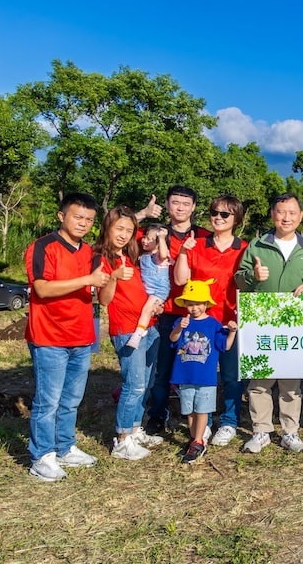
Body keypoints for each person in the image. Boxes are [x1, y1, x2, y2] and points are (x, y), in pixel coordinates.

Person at [25, 192, 110, 481]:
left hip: (82, 336)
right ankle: (42, 456)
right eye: (77, 216)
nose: (83, 223)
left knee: (71, 399)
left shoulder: (90, 253)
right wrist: (87, 280)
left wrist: (111, 279)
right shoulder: (43, 247)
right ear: (61, 216)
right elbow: (42, 289)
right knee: (47, 401)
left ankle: (64, 447)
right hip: (49, 336)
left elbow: (104, 297)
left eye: (89, 219)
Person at [235, 193, 303, 454]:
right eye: (281, 212)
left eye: (292, 212)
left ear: (300, 217)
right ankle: (261, 430)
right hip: (263, 321)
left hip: (295, 324)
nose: (286, 217)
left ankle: (290, 431)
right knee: (260, 380)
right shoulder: (258, 246)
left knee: (290, 380)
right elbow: (239, 279)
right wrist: (253, 275)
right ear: (272, 214)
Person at [174, 195, 248, 447]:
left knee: (230, 375)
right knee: (197, 374)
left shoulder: (245, 248)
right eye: (214, 212)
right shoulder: (198, 244)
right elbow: (181, 279)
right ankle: (200, 424)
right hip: (199, 322)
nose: (217, 217)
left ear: (236, 218)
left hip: (228, 321)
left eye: (224, 214)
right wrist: (184, 252)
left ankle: (228, 421)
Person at [95, 206, 166, 461]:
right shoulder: (102, 258)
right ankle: (122, 439)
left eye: (129, 230)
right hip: (126, 329)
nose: (124, 234)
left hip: (149, 327)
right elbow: (104, 299)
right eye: (119, 229)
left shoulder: (131, 253)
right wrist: (113, 276)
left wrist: (144, 215)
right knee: (133, 384)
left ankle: (136, 429)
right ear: (107, 228)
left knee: (145, 383)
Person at [145, 186, 212, 436]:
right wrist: (143, 214)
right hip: (167, 310)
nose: (180, 207)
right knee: (162, 369)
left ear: (194, 207)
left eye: (186, 203)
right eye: (175, 203)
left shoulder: (205, 236)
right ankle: (158, 415)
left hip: (198, 312)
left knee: (197, 366)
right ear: (167, 204)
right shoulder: (156, 233)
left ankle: (201, 419)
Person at [169, 280, 238, 464]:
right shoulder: (181, 322)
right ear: (184, 305)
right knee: (189, 410)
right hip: (184, 375)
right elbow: (172, 338)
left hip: (206, 378)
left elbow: (225, 345)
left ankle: (199, 441)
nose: (194, 308)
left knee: (202, 410)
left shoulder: (213, 325)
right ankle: (195, 440)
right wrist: (179, 327)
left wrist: (232, 332)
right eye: (190, 304)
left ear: (206, 304)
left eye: (198, 304)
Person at [125, 222, 170, 349]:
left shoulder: (160, 257)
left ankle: (138, 334)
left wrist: (161, 238)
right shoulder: (143, 255)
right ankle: (143, 328)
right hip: (147, 290)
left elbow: (163, 254)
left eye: (150, 239)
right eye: (145, 237)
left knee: (147, 309)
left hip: (158, 291)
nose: (145, 241)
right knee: (145, 309)